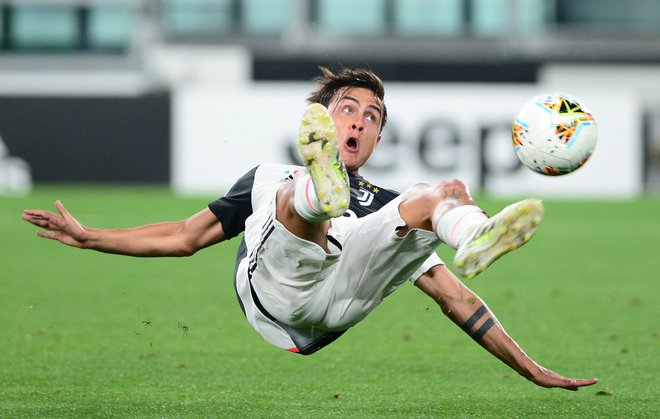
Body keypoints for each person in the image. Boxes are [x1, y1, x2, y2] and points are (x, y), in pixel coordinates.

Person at [22, 66, 598, 391]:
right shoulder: (267, 175)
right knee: (291, 195)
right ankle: (317, 197)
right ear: (325, 119)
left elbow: (456, 298)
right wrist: (91, 236)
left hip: (338, 304)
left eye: (372, 118)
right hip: (275, 298)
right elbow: (184, 237)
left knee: (432, 197)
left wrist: (531, 368)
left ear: (376, 140)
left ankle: (471, 231)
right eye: (348, 109)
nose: (361, 120)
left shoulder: (385, 204)